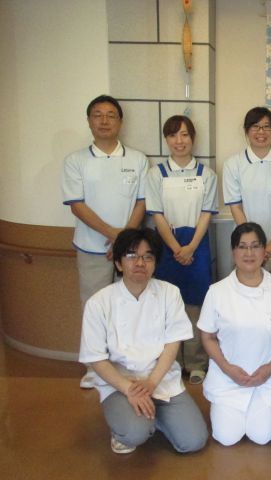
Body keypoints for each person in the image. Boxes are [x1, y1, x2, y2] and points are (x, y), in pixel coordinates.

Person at [78, 228, 208, 454]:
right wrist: (130, 389)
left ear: (155, 263)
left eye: (148, 257)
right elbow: (96, 358)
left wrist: (151, 384)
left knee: (193, 441)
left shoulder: (169, 293)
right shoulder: (99, 303)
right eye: (132, 255)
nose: (140, 263)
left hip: (160, 378)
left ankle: (153, 418)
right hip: (120, 383)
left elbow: (172, 345)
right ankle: (132, 424)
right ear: (118, 263)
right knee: (134, 433)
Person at [62, 94, 148, 388]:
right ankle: (93, 367)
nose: (104, 121)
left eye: (111, 115)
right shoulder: (76, 161)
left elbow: (142, 202)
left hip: (130, 251)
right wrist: (115, 236)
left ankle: (129, 364)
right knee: (94, 308)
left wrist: (124, 241)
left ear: (120, 122)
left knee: (131, 306)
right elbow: (77, 205)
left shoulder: (137, 159)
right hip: (93, 248)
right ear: (89, 121)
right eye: (97, 115)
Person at [198, 222, 271, 446]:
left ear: (264, 251)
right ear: (233, 252)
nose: (249, 253)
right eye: (242, 247)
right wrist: (226, 368)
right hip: (227, 377)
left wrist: (269, 368)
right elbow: (207, 337)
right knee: (226, 437)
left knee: (262, 436)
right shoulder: (217, 292)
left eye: (255, 246)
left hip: (267, 378)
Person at [145, 115, 218, 385]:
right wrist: (177, 248)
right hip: (167, 245)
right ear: (166, 139)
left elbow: (206, 214)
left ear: (193, 138)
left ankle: (197, 363)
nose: (179, 141)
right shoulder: (156, 174)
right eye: (173, 135)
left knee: (197, 306)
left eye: (185, 134)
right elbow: (157, 215)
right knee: (168, 305)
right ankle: (172, 362)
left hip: (197, 243)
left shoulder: (207, 175)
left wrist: (191, 247)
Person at [223, 107, 271, 283]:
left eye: (266, 127)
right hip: (245, 246)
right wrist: (253, 244)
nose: (261, 132)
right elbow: (236, 208)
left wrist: (270, 246)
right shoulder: (233, 164)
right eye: (255, 126)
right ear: (246, 130)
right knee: (243, 293)